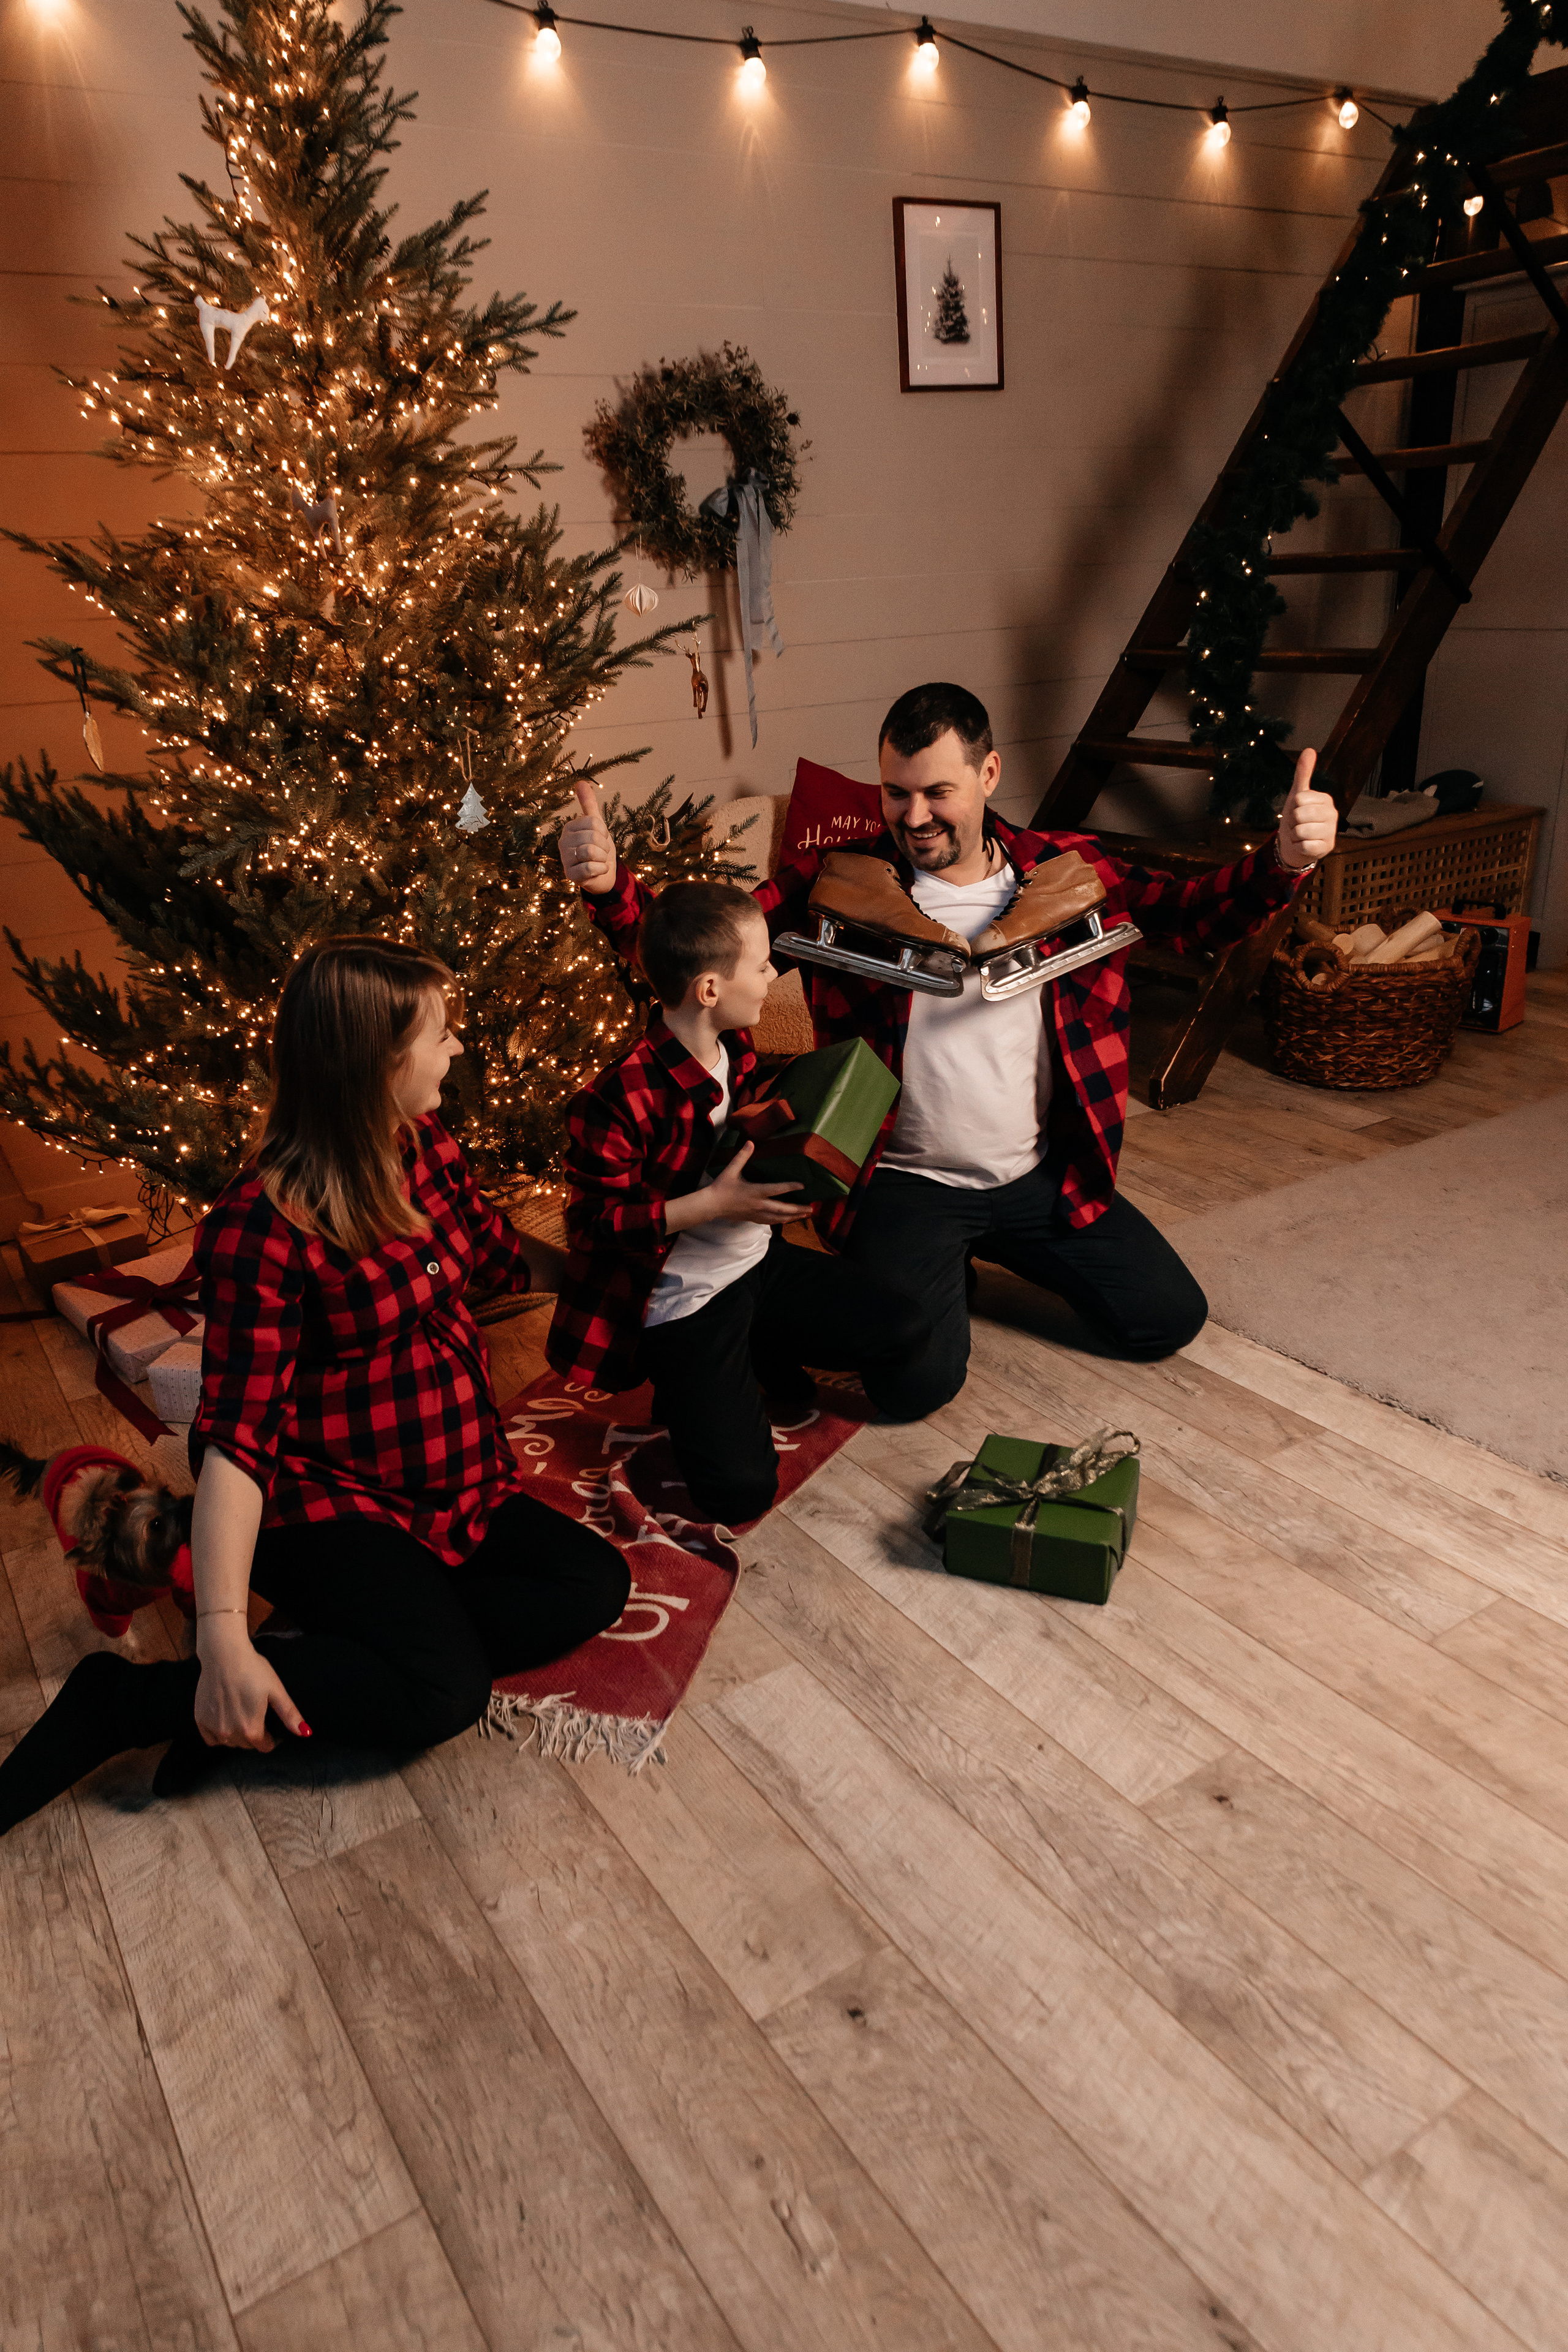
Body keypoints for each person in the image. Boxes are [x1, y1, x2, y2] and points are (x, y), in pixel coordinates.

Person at [559, 682, 1338, 1417]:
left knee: (1165, 1318)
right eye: (895, 793)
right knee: (913, 1388)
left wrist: (1284, 860)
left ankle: (987, 1256)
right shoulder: (838, 882)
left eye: (937, 792)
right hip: (905, 1185)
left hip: (1039, 1174)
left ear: (988, 773)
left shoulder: (1070, 870)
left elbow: (1193, 915)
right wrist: (608, 887)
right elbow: (699, 955)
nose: (915, 815)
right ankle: (917, 1272)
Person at [0, 937, 629, 1839]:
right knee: (442, 1694)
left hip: (452, 1479)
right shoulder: (262, 1224)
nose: (457, 1048)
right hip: (327, 1497)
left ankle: (319, 1668)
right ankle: (132, 1702)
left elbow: (496, 1257)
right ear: (378, 1062)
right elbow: (238, 1438)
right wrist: (223, 1633)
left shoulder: (425, 1145)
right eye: (440, 1035)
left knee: (592, 1585)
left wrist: (634, 1257)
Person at [547, 880, 930, 1526]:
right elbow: (590, 1228)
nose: (773, 975)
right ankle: (692, 1376)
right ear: (709, 990)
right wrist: (712, 1205)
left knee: (906, 1328)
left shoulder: (736, 1046)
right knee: (740, 1493)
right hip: (684, 1298)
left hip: (757, 1263)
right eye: (761, 965)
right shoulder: (618, 1097)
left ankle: (755, 1347)